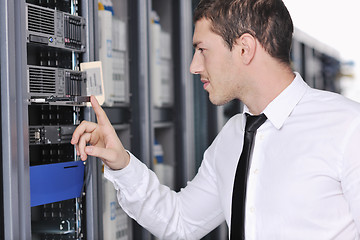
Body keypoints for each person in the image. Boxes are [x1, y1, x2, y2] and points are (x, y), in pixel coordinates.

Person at [71, 0, 360, 239]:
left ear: (244, 49)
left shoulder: (348, 127)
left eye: (202, 50)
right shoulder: (233, 137)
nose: (194, 66)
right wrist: (121, 163)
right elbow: (180, 222)